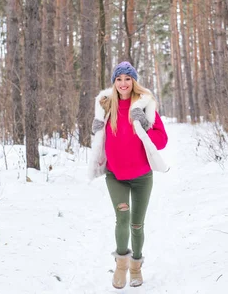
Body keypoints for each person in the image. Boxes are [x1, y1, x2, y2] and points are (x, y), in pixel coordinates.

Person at [89, 61, 169, 289]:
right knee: (122, 219)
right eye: (119, 79)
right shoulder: (106, 107)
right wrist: (95, 132)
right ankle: (121, 265)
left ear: (133, 81)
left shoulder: (145, 106)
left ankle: (136, 266)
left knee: (136, 224)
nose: (123, 83)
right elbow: (101, 141)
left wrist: (144, 124)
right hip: (115, 175)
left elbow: (162, 141)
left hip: (142, 176)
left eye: (127, 79)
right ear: (114, 82)